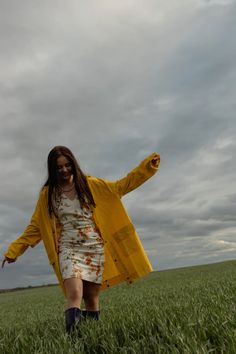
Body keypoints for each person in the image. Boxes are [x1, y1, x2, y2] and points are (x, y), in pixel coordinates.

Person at [2, 146, 160, 334]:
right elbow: (35, 226)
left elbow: (121, 186)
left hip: (94, 248)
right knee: (75, 293)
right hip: (68, 249)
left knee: (92, 297)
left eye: (67, 165)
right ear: (52, 169)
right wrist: (15, 250)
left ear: (73, 164)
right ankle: (73, 341)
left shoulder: (90, 184)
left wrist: (146, 168)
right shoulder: (48, 195)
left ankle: (91, 336)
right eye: (58, 167)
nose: (64, 170)